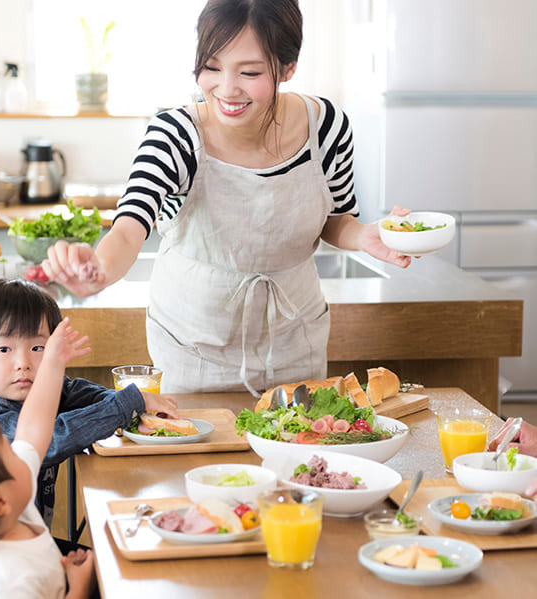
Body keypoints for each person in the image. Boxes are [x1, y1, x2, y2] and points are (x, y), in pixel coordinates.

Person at [42, 0, 411, 397]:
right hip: (193, 351)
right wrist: (98, 268)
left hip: (294, 345)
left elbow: (336, 219)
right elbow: (130, 228)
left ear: (287, 68)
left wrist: (365, 237)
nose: (227, 88)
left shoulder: (327, 129)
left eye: (249, 72)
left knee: (300, 454)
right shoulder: (174, 135)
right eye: (212, 67)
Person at [0, 278, 178, 527]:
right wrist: (129, 403)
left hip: (27, 547)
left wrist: (136, 410)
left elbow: (75, 391)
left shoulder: (41, 391)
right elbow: (50, 439)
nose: (23, 362)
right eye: (5, 349)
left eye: (39, 348)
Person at [0, 317, 96, 598]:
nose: (20, 450)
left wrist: (53, 362)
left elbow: (33, 427)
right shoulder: (8, 582)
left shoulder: (7, 511)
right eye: (9, 453)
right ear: (0, 500)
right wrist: (79, 587)